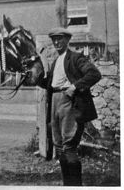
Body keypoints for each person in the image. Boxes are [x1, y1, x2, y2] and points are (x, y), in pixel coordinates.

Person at [38, 27, 101, 186]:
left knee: (69, 146)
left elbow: (94, 74)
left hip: (70, 103)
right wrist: (35, 78)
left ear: (67, 40)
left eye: (60, 39)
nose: (57, 42)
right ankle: (68, 185)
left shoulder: (75, 57)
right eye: (54, 40)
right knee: (59, 147)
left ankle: (75, 185)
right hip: (55, 101)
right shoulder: (56, 62)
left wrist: (75, 86)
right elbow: (50, 85)